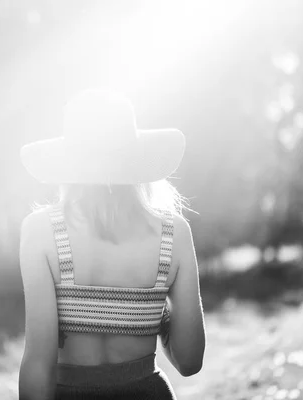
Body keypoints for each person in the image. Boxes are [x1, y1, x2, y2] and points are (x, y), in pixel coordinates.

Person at [18, 89, 206, 399]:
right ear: (136, 157)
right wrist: (149, 310)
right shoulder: (173, 234)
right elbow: (189, 360)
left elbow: (39, 364)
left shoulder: (41, 231)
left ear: (69, 162)